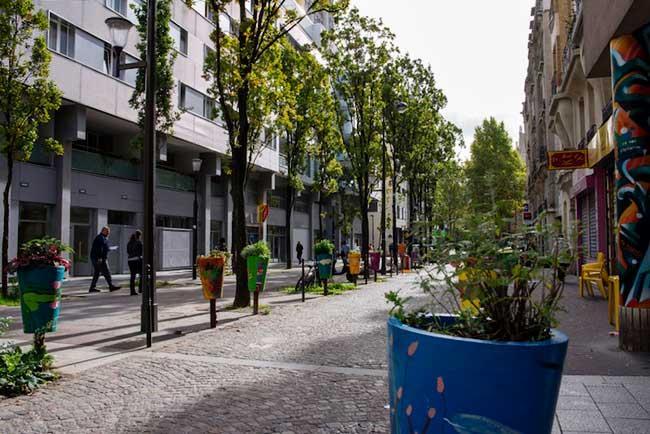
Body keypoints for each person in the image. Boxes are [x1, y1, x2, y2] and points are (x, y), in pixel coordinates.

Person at [89, 226, 120, 293]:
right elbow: (100, 249)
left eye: (109, 232)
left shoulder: (102, 237)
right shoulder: (101, 238)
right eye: (107, 231)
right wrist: (100, 258)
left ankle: (92, 288)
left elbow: (105, 248)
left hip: (96, 258)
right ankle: (111, 286)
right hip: (99, 258)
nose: (108, 233)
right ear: (103, 231)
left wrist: (110, 248)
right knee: (107, 272)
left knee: (97, 273)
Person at [127, 230, 143, 296]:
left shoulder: (129, 243)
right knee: (141, 274)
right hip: (137, 260)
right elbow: (141, 252)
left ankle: (132, 290)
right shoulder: (139, 242)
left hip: (130, 260)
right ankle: (140, 288)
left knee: (132, 275)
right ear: (139, 236)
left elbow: (128, 251)